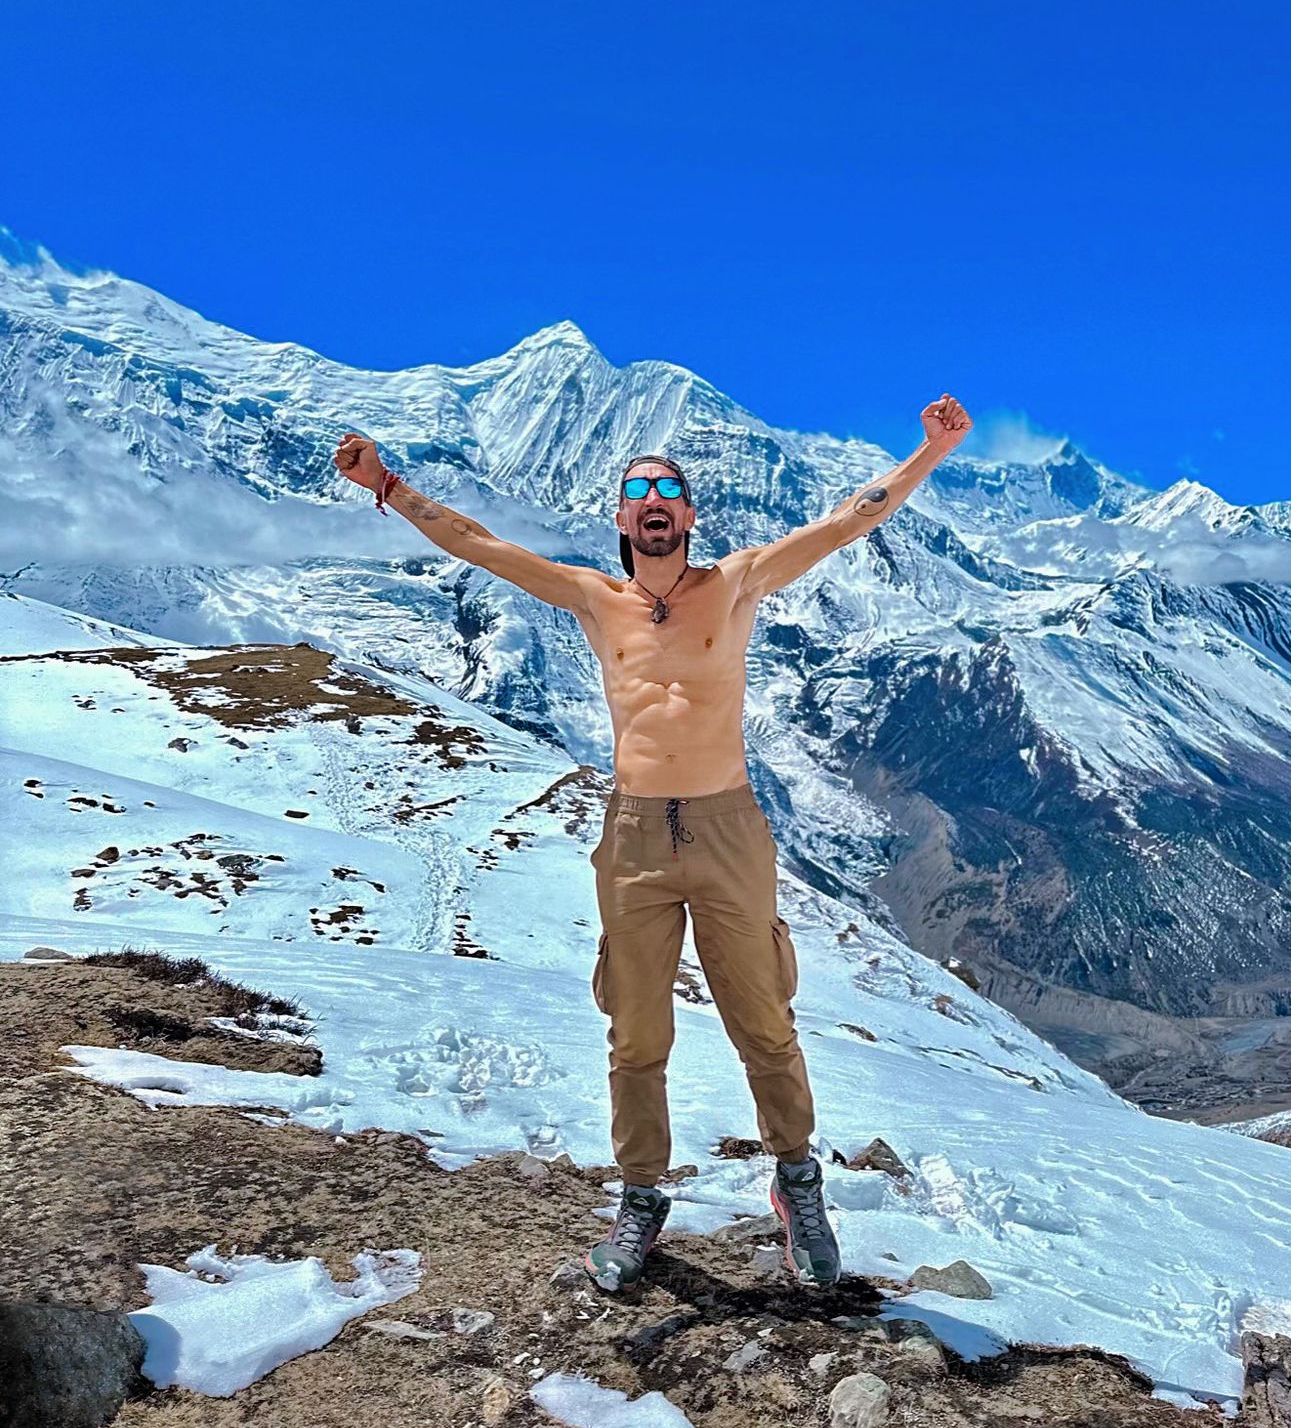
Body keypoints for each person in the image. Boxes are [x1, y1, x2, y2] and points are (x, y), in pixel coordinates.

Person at [334, 395, 972, 1292]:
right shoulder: (595, 599)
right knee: (635, 1029)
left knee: (764, 1018)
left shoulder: (736, 582)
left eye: (669, 489)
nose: (655, 501)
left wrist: (929, 452)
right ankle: (640, 1197)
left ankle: (797, 1184)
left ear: (691, 514)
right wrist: (387, 485)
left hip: (726, 825)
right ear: (622, 519)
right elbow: (476, 543)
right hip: (634, 833)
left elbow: (845, 522)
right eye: (639, 492)